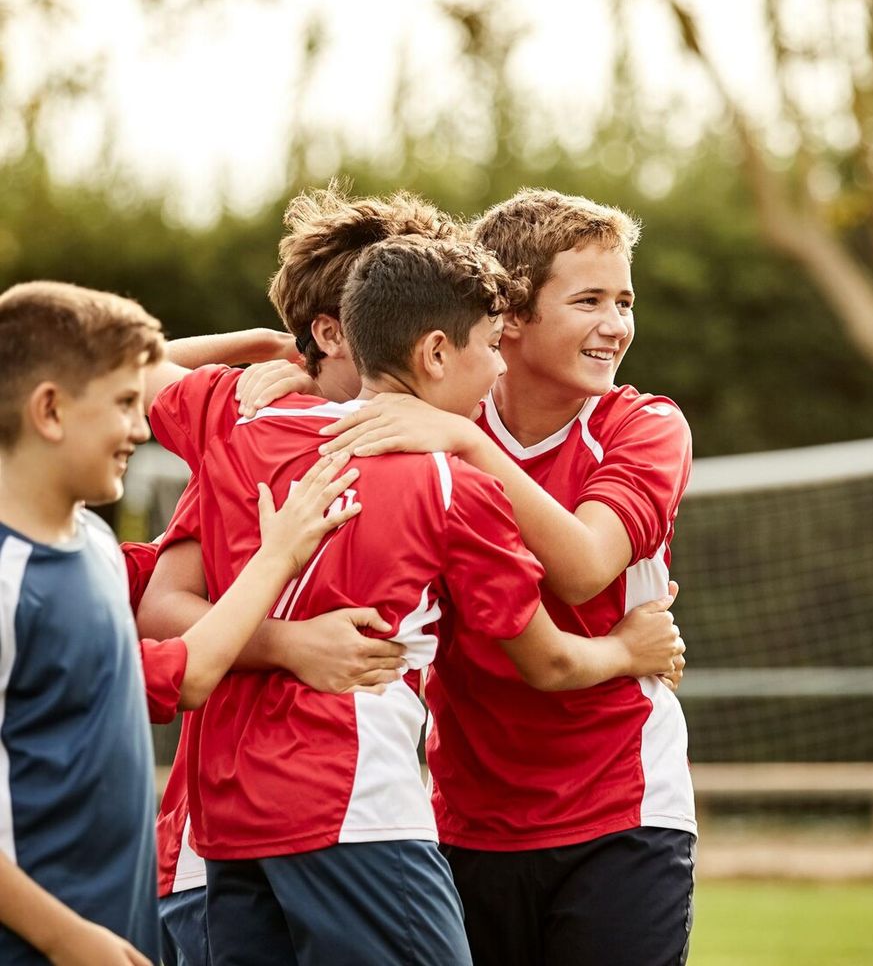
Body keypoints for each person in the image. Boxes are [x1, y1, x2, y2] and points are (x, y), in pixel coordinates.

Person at [141, 234, 682, 966]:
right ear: (434, 352)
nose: (495, 365)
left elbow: (117, 367)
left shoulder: (237, 422)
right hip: (359, 810)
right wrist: (625, 650)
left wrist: (259, 349)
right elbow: (548, 661)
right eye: (490, 344)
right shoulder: (454, 482)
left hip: (228, 827)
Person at [316, 189, 696, 965]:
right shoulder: (435, 420)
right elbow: (340, 379)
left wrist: (465, 445)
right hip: (465, 821)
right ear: (510, 317)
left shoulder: (646, 426)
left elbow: (588, 566)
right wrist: (278, 376)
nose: (616, 324)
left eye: (624, 300)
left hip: (624, 810)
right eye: (589, 300)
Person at [0, 282, 364, 965]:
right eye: (123, 407)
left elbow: (90, 361)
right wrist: (280, 555)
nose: (143, 427)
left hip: (113, 937)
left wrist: (260, 346)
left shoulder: (94, 549)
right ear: (48, 410)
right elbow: (189, 673)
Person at [137, 185, 453, 966]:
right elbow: (164, 606)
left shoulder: (437, 447)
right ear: (331, 334)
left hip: (310, 818)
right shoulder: (242, 436)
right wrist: (288, 643)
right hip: (216, 841)